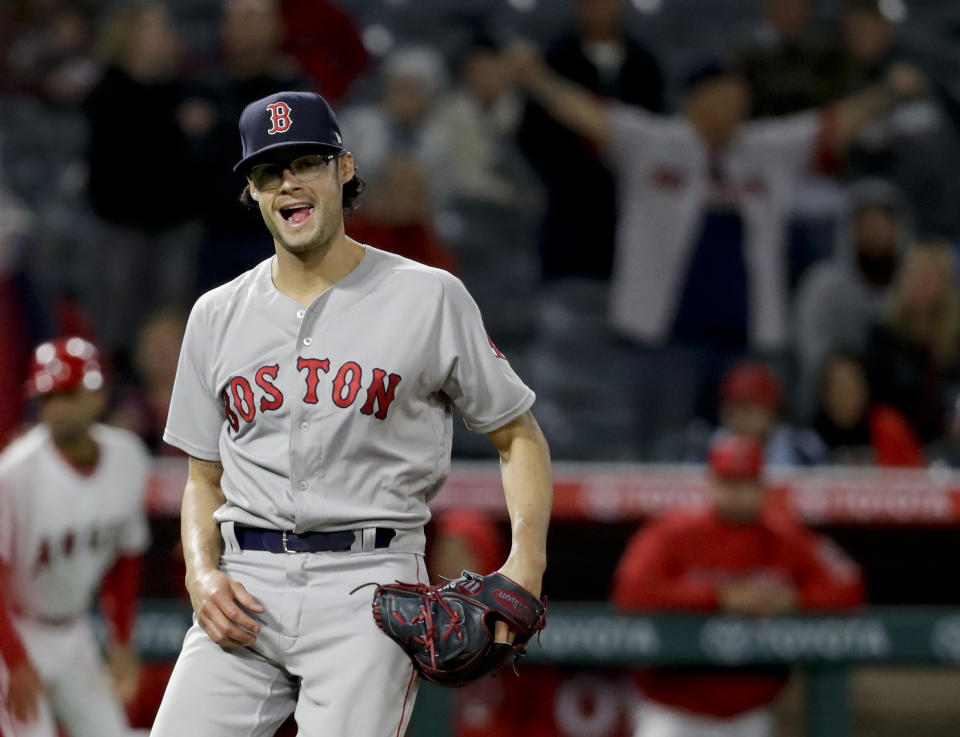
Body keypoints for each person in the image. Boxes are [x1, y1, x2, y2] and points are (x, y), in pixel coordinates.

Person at [149, 90, 552, 737]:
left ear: (344, 168)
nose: (289, 183)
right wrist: (202, 571)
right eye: (269, 170)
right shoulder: (215, 314)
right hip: (244, 585)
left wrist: (525, 557)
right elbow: (203, 478)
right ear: (252, 191)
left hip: (369, 585)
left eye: (306, 161)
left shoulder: (427, 297)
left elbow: (517, 433)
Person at [511, 42, 925, 457]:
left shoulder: (767, 148)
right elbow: (589, 114)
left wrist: (888, 93)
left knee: (754, 454)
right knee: (660, 453)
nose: (736, 103)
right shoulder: (653, 142)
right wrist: (535, 78)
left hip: (746, 341)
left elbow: (833, 125)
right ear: (697, 99)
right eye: (725, 93)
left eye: (739, 94)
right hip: (663, 340)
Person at [612, 435, 864, 737]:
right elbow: (631, 591)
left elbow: (849, 586)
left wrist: (792, 599)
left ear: (762, 487)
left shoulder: (786, 535)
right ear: (712, 484)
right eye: (729, 483)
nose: (737, 493)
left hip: (749, 715)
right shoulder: (671, 531)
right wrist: (718, 596)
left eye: (746, 483)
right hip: (672, 712)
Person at [0, 337, 151, 737]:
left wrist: (121, 642)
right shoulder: (14, 473)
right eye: (48, 398)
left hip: (73, 629)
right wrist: (14, 660)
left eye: (68, 394)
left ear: (97, 395)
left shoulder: (127, 457)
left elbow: (126, 557)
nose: (57, 409)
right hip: (13, 633)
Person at [516, 0, 664, 281]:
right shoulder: (556, 59)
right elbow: (532, 137)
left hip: (631, 209)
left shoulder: (644, 63)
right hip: (569, 212)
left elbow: (653, 134)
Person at [792, 178, 913, 420]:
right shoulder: (825, 284)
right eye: (864, 221)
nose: (874, 228)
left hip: (902, 401)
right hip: (835, 404)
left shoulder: (915, 281)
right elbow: (810, 351)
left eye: (882, 220)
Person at [864, 241, 960, 445]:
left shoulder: (956, 339)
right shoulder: (883, 338)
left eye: (928, 278)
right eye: (913, 277)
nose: (919, 286)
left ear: (946, 284)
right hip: (897, 447)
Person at [680, 361, 829, 467]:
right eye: (733, 409)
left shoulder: (804, 449)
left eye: (750, 408)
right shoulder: (706, 452)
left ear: (772, 412)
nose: (740, 417)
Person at [813, 351, 923, 466]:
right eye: (837, 388)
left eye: (850, 386)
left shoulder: (887, 425)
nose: (844, 395)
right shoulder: (811, 440)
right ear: (824, 395)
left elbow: (914, 475)